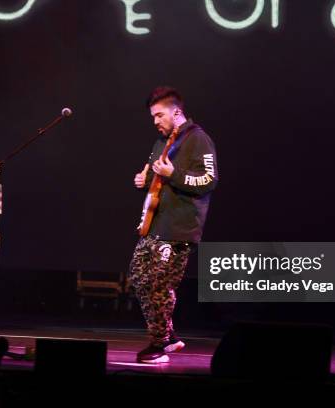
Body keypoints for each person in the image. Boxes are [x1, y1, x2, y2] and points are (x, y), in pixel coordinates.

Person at [129, 86, 218, 363]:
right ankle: (168, 337)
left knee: (158, 283)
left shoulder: (199, 139)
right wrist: (143, 182)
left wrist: (174, 173)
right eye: (153, 117)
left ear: (176, 111)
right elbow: (154, 176)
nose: (155, 121)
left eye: (159, 115)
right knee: (139, 276)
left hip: (179, 228)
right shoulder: (160, 143)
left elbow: (209, 180)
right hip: (155, 224)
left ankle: (159, 344)